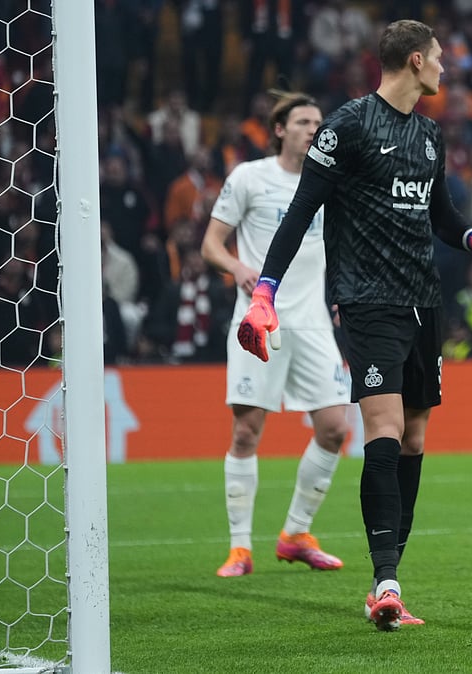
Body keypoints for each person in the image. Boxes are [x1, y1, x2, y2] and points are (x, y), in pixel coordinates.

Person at [234, 20, 472, 631]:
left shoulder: (430, 135)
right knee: (383, 428)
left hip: (423, 303)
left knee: (414, 439)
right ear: (415, 61)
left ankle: (387, 582)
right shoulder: (348, 126)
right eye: (439, 58)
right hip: (367, 301)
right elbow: (301, 211)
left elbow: (440, 215)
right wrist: (265, 292)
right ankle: (386, 582)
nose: (445, 68)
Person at [201, 91, 350, 580]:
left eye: (318, 122)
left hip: (313, 322)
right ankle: (239, 548)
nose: (314, 129)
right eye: (303, 121)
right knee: (247, 431)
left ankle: (296, 534)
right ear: (280, 129)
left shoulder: (331, 180)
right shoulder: (250, 177)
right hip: (258, 318)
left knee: (334, 427)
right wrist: (238, 268)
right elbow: (210, 245)